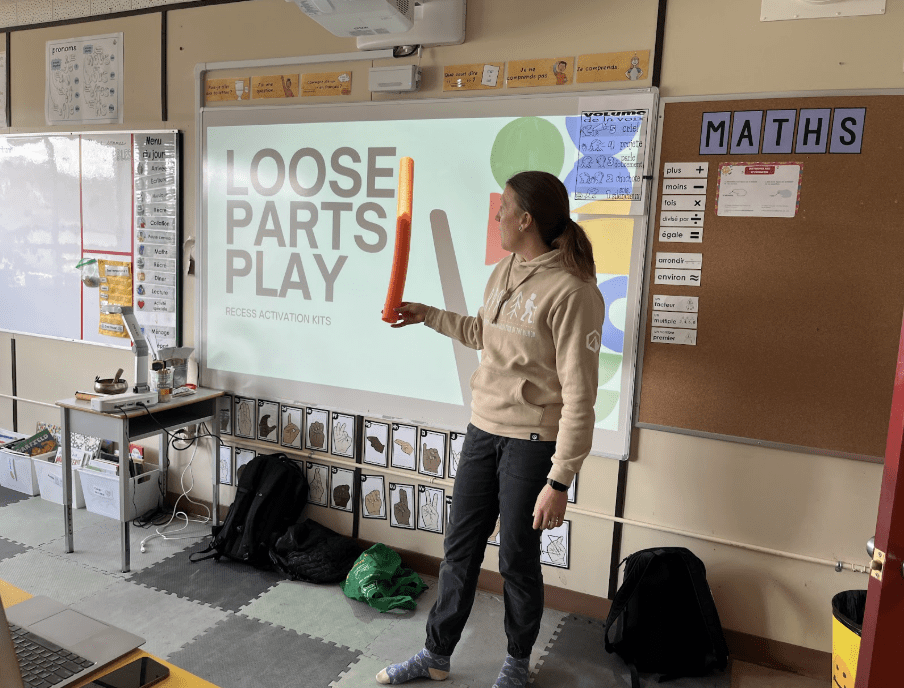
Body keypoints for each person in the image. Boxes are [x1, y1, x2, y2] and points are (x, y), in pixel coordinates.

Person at [378, 171, 605, 687]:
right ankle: (436, 656)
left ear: (526, 219)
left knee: (517, 558)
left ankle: (517, 664)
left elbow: (580, 399)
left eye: (503, 208)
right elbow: (484, 333)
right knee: (459, 548)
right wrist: (427, 314)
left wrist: (560, 482)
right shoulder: (504, 269)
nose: (496, 216)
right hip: (483, 430)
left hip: (532, 443)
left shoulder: (574, 292)